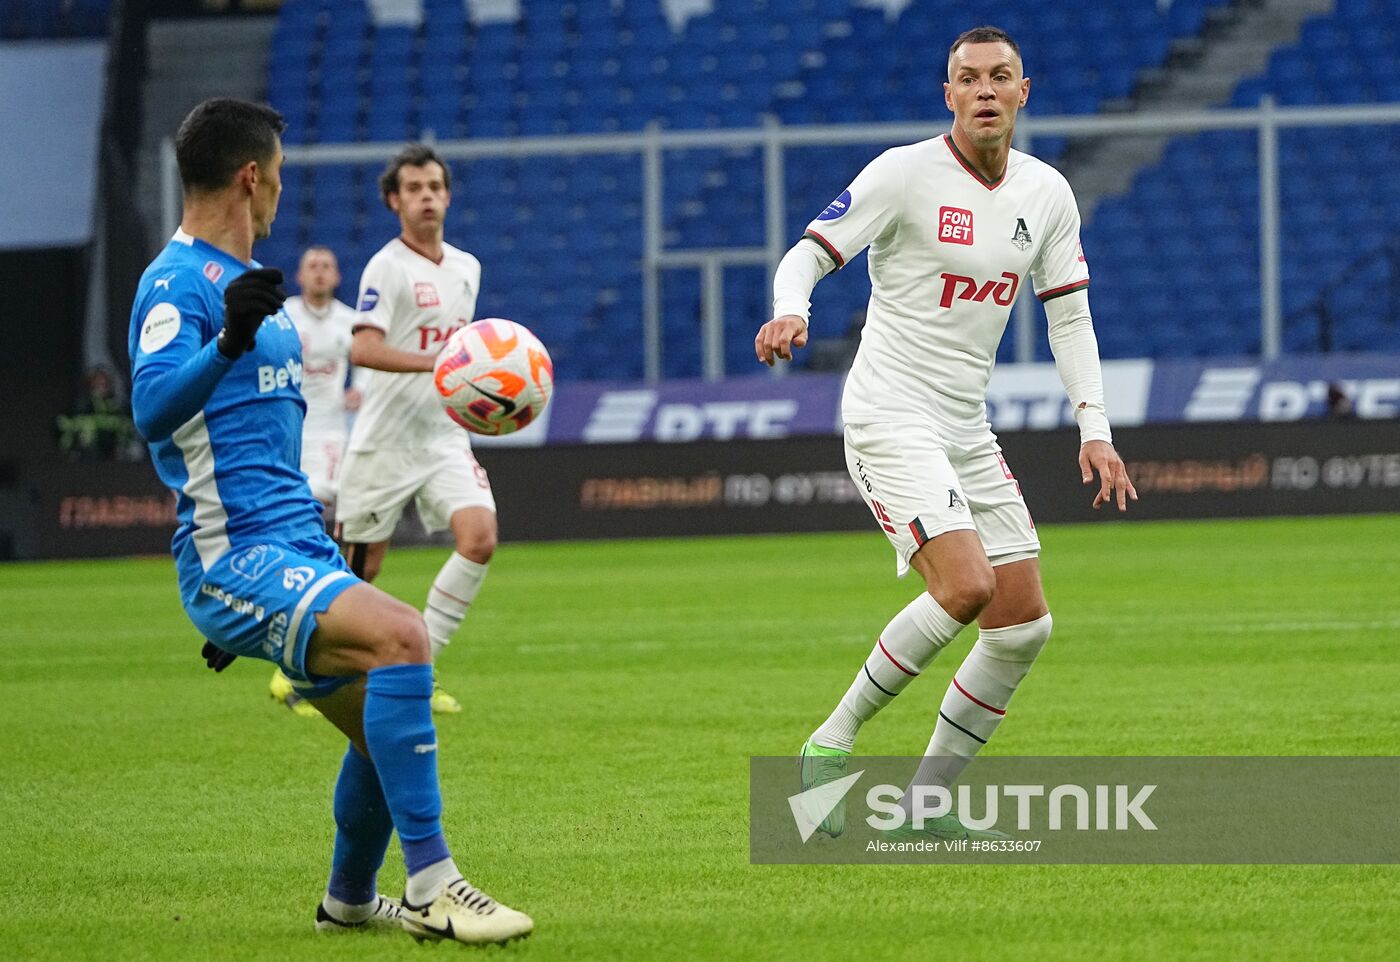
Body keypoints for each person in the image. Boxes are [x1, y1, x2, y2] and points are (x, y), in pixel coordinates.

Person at [127, 97, 532, 944]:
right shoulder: (176, 283)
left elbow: (250, 441)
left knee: (390, 722)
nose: (279, 190)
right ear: (251, 177)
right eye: (275, 175)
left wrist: (261, 618)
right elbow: (153, 409)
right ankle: (435, 887)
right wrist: (228, 341)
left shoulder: (254, 290)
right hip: (236, 557)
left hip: (289, 548)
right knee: (406, 638)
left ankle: (348, 901)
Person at [754, 26, 1137, 839]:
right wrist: (793, 309)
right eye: (970, 78)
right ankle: (831, 740)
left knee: (1025, 623)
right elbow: (806, 255)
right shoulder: (903, 174)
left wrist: (1093, 429)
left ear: (1024, 92)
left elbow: (1071, 319)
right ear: (950, 94)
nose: (987, 90)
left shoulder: (1047, 194)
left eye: (1002, 77)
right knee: (964, 588)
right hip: (888, 411)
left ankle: (928, 801)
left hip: (966, 424)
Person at [335, 143, 496, 716]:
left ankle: (417, 671)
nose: (426, 197)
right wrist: (441, 364)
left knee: (480, 538)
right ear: (394, 200)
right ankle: (312, 674)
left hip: (444, 436)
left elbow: (466, 354)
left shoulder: (467, 267)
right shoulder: (387, 266)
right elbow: (364, 347)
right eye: (414, 189)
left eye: (435, 187)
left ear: (447, 196)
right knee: (360, 570)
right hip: (384, 438)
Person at [269, 245, 364, 718]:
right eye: (313, 266)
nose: (321, 272)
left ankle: (315, 633)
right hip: (290, 430)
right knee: (303, 523)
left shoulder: (349, 321)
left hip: (331, 433)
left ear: (337, 274)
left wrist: (359, 390)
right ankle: (298, 648)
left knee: (329, 518)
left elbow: (366, 363)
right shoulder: (284, 317)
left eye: (328, 265)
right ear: (300, 275)